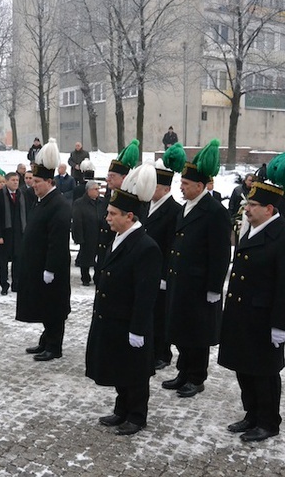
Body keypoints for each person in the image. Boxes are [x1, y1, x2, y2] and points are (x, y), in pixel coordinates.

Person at [218, 149, 285, 443]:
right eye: (247, 203)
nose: (247, 209)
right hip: (242, 315)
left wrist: (281, 325)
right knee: (244, 368)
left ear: (269, 209)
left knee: (264, 372)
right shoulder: (252, 230)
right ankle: (252, 414)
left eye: (253, 205)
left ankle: (269, 421)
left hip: (264, 317)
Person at [85, 164, 161, 436]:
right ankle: (121, 409)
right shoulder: (118, 238)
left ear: (129, 216)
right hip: (113, 318)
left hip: (130, 321)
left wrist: (138, 329)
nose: (107, 217)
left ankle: (137, 415)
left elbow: (145, 294)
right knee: (120, 367)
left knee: (135, 372)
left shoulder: (145, 246)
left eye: (112, 214)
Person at [163, 139, 231, 398]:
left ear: (200, 186)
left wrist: (214, 286)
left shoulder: (214, 211)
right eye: (181, 183)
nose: (182, 188)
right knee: (181, 329)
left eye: (186, 184)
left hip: (200, 284)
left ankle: (196, 376)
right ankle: (183, 371)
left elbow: (220, 253)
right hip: (181, 281)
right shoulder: (186, 208)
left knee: (197, 333)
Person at [16, 138, 72, 361]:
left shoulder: (58, 204)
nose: (33, 185)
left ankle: (54, 346)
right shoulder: (42, 200)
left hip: (51, 268)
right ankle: (45, 340)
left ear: (50, 181)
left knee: (53, 307)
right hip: (38, 264)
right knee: (43, 304)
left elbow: (57, 242)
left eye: (37, 181)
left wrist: (50, 268)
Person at [143, 145, 184, 371]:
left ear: (165, 188)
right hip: (146, 269)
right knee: (149, 312)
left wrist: (165, 274)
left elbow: (172, 246)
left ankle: (163, 353)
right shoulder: (147, 206)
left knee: (161, 314)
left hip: (161, 272)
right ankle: (152, 348)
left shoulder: (174, 210)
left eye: (154, 186)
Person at [95, 140, 140, 284]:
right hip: (104, 256)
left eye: (112, 176)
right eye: (108, 175)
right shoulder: (108, 197)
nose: (108, 179)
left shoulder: (133, 202)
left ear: (124, 178)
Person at [0, 172, 27, 295]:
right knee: (3, 261)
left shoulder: (22, 195)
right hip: (5, 233)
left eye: (17, 180)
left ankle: (16, 284)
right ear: (6, 182)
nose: (16, 182)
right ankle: (4, 285)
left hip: (18, 233)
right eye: (13, 180)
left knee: (18, 260)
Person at [72, 181, 101, 286]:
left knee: (99, 258)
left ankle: (97, 276)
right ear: (88, 191)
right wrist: (78, 237)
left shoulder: (100, 202)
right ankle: (85, 277)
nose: (98, 192)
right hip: (87, 234)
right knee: (85, 258)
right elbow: (77, 221)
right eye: (96, 189)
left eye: (98, 189)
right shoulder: (80, 203)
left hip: (99, 235)